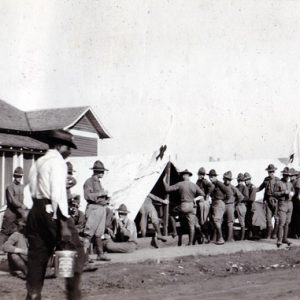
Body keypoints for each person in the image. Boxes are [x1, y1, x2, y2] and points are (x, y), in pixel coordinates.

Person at [26, 129, 85, 300]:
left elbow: (31, 188)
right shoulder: (58, 162)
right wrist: (64, 225)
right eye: (68, 147)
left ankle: (33, 295)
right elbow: (57, 193)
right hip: (54, 212)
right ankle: (72, 295)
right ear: (59, 146)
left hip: (36, 211)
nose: (70, 151)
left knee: (38, 257)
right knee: (75, 252)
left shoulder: (39, 162)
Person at [164, 169, 205, 246]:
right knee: (192, 225)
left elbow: (167, 189)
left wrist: (164, 181)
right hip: (192, 206)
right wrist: (195, 199)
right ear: (189, 176)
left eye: (182, 175)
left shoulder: (180, 184)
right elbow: (203, 194)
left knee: (171, 214)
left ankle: (174, 231)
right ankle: (190, 243)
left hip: (184, 206)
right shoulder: (194, 185)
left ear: (184, 176)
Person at [82, 160, 110, 261]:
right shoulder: (89, 182)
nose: (103, 173)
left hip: (101, 208)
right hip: (94, 208)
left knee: (99, 233)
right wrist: (100, 194)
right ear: (97, 172)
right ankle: (84, 256)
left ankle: (100, 254)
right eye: (101, 171)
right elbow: (87, 195)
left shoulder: (98, 182)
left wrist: (106, 199)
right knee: (89, 233)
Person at [0, 167, 27, 246]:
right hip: (10, 213)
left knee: (18, 233)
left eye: (21, 176)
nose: (19, 178)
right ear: (14, 176)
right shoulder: (10, 187)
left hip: (19, 215)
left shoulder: (23, 187)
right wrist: (22, 205)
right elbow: (12, 201)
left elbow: (26, 198)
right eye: (18, 176)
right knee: (5, 232)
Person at [208, 169, 231, 245]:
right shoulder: (212, 185)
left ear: (215, 177)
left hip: (219, 203)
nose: (210, 178)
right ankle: (216, 238)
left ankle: (221, 238)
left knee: (216, 220)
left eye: (211, 177)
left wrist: (223, 201)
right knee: (216, 221)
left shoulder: (219, 183)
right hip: (214, 203)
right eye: (209, 177)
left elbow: (229, 193)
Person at [257, 164, 280, 239]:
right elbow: (260, 188)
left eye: (272, 171)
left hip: (275, 201)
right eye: (269, 172)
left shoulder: (278, 180)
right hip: (267, 200)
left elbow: (281, 191)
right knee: (268, 218)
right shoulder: (266, 179)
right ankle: (269, 234)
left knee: (276, 218)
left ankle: (274, 234)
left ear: (274, 171)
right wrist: (253, 190)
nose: (270, 173)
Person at [274, 167, 294, 248]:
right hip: (282, 203)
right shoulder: (278, 183)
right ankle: (279, 239)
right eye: (286, 175)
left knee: (287, 222)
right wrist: (283, 192)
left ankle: (285, 238)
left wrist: (292, 193)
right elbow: (274, 193)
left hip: (290, 204)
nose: (288, 177)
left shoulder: (290, 184)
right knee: (281, 222)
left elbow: (293, 192)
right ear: (283, 175)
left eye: (289, 175)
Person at [223, 171, 244, 242]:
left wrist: (235, 203)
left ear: (230, 180)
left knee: (230, 223)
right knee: (222, 222)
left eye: (228, 179)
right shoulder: (221, 186)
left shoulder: (233, 188)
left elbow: (241, 197)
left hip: (230, 205)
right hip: (222, 206)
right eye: (225, 179)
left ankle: (229, 239)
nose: (227, 180)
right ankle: (225, 238)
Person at [195, 167, 214, 243]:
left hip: (203, 202)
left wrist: (208, 194)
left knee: (204, 220)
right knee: (201, 220)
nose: (200, 175)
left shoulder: (204, 181)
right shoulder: (198, 181)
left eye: (202, 174)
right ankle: (204, 237)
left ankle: (207, 237)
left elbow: (212, 186)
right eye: (200, 174)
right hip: (200, 202)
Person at [243, 172, 257, 239]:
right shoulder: (245, 187)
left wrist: (244, 200)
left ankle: (254, 233)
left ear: (249, 179)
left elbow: (251, 199)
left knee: (249, 220)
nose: (245, 181)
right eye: (244, 180)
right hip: (246, 205)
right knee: (247, 220)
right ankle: (249, 235)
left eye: (247, 180)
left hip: (250, 206)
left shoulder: (252, 187)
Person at [235, 173, 248, 240]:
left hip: (241, 205)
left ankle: (242, 238)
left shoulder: (244, 187)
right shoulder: (236, 187)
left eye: (241, 180)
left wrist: (240, 199)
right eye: (239, 180)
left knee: (242, 222)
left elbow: (246, 197)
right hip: (235, 205)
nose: (240, 182)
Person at [289, 168, 300, 238]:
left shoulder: (297, 181)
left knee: (296, 218)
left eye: (292, 175)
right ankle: (293, 233)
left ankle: (297, 233)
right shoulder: (291, 182)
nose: (290, 177)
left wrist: (290, 197)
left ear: (295, 175)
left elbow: (297, 192)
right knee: (293, 218)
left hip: (296, 201)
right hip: (292, 200)